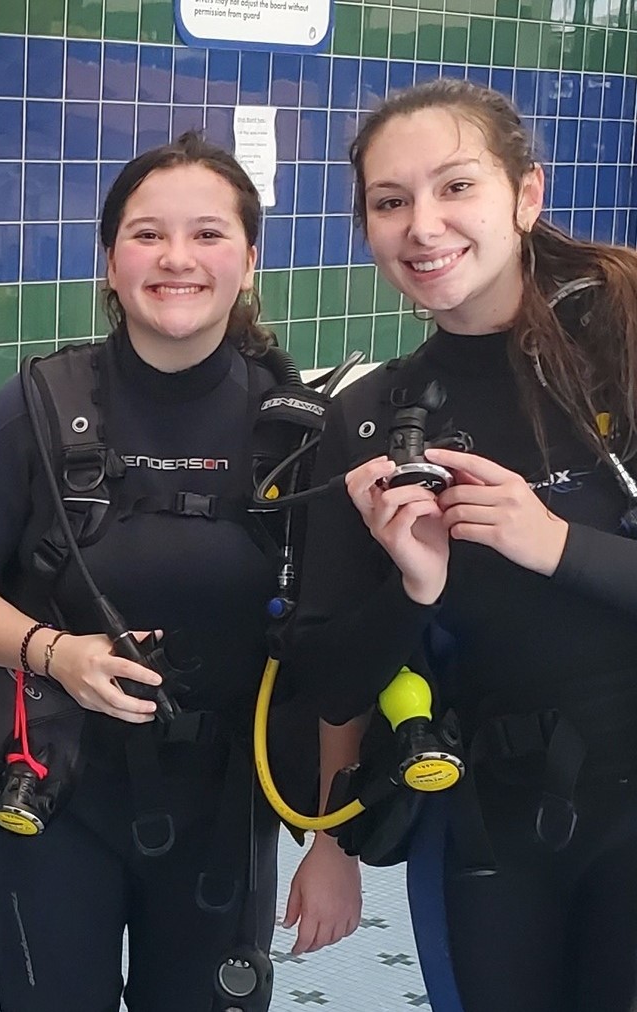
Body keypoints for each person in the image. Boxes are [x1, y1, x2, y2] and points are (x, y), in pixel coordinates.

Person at [0, 133, 344, 1012]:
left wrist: (333, 842)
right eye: (148, 235)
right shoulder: (35, 408)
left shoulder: (297, 430)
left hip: (226, 806)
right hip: (56, 794)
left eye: (208, 234)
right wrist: (50, 652)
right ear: (110, 261)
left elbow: (336, 639)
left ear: (250, 258)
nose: (177, 259)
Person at [289, 78, 637, 1012]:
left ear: (526, 196)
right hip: (488, 828)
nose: (423, 226)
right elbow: (328, 673)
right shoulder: (370, 419)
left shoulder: (626, 351)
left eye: (455, 188)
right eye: (390, 203)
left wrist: (556, 542)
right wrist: (410, 587)